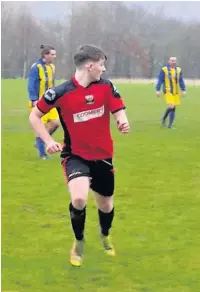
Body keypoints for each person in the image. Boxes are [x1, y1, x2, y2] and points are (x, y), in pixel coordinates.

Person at [29, 44, 130, 267]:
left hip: (103, 156)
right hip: (75, 155)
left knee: (106, 206)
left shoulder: (106, 86)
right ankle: (78, 242)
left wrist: (122, 120)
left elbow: (118, 108)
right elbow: (35, 116)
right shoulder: (61, 92)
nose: (103, 69)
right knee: (79, 198)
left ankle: (105, 235)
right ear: (90, 65)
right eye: (102, 65)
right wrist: (48, 141)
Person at [28, 44, 60, 159]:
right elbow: (31, 84)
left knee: (55, 123)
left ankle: (40, 142)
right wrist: (34, 99)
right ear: (45, 55)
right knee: (40, 126)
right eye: (52, 54)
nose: (54, 57)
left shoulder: (52, 67)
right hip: (38, 102)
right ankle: (42, 154)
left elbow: (52, 83)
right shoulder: (36, 67)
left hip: (50, 101)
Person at [156, 57, 186, 128]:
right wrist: (157, 89)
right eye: (172, 61)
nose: (174, 62)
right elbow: (160, 80)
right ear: (169, 61)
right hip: (168, 91)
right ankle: (163, 119)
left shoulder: (178, 70)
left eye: (175, 61)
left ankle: (170, 125)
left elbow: (181, 80)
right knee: (171, 106)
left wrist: (183, 89)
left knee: (173, 108)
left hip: (176, 92)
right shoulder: (164, 70)